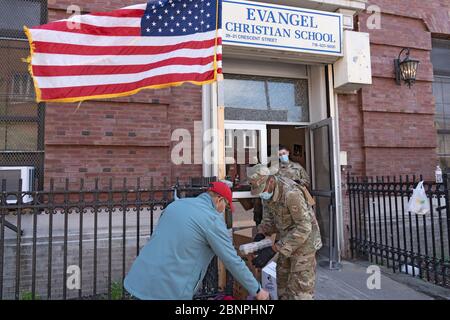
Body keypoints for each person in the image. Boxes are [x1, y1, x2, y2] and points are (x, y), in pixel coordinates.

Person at [124, 181, 269, 300]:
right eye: (225, 206)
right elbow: (231, 261)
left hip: (138, 280)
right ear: (219, 200)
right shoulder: (211, 220)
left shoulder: (175, 205)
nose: (223, 211)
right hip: (167, 292)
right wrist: (257, 290)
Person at [247, 165, 322, 300]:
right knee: (282, 285)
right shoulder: (267, 193)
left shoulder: (291, 193)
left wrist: (274, 249)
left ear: (270, 181)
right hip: (286, 241)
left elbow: (304, 227)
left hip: (304, 244)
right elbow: (269, 218)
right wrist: (260, 235)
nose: (262, 193)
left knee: (300, 291)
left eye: (262, 189)